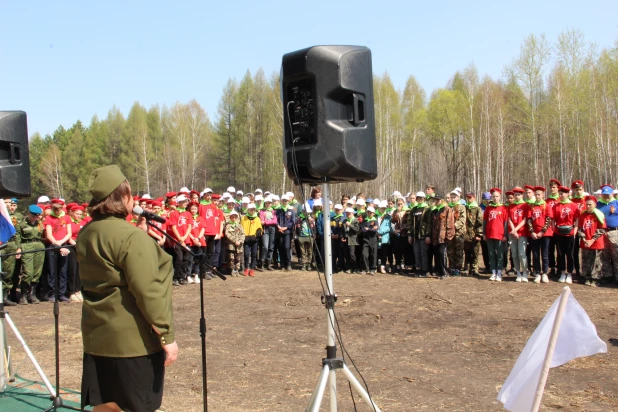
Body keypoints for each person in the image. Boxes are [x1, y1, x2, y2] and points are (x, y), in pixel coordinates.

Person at [76, 165, 177, 412]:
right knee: (136, 406)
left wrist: (138, 233)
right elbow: (147, 291)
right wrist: (166, 335)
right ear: (122, 197)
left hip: (98, 338)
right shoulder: (130, 238)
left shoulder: (87, 232)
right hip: (133, 343)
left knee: (106, 405)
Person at [15, 205, 46, 305]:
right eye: (34, 216)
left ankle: (32, 294)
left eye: (38, 216)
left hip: (39, 246)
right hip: (27, 245)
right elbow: (18, 237)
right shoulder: (22, 224)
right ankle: (23, 295)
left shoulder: (39, 223)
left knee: (37, 272)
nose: (36, 218)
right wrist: (18, 248)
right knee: (28, 272)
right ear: (29, 214)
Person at [44, 198, 72, 302]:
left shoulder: (66, 217)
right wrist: (56, 244)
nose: (58, 212)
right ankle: (52, 294)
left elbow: (68, 233)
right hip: (52, 246)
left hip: (63, 245)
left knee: (63, 270)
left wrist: (61, 244)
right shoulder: (49, 218)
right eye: (56, 209)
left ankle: (61, 293)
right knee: (52, 271)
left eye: (59, 209)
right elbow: (49, 234)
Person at [578, 196, 606, 286]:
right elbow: (580, 228)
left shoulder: (599, 215)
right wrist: (584, 239)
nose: (588, 206)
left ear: (595, 205)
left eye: (590, 204)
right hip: (586, 241)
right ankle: (586, 277)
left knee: (596, 261)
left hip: (596, 241)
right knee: (586, 260)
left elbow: (602, 229)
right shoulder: (583, 215)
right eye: (586, 204)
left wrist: (592, 240)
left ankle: (595, 278)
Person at [553, 186, 579, 284]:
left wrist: (575, 231)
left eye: (563, 193)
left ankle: (570, 273)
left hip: (570, 232)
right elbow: (553, 219)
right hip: (559, 232)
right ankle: (562, 272)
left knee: (570, 254)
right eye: (559, 193)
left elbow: (576, 219)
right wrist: (554, 230)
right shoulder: (556, 206)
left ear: (568, 194)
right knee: (560, 253)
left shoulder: (573, 205)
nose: (561, 195)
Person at [528, 186, 553, 284]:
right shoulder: (532, 206)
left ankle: (545, 273)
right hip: (534, 234)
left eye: (539, 194)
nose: (538, 196)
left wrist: (542, 232)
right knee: (536, 254)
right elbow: (529, 220)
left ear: (543, 195)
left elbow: (548, 220)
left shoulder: (546, 206)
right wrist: (532, 232)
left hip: (545, 234)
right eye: (536, 194)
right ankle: (537, 272)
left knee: (545, 254)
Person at [427, 194, 455, 280]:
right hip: (435, 236)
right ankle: (439, 271)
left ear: (442, 200)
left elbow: (450, 223)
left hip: (443, 236)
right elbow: (430, 224)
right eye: (435, 200)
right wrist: (429, 235)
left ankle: (444, 272)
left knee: (442, 253)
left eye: (438, 200)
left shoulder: (447, 209)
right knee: (436, 254)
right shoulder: (434, 211)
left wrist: (449, 235)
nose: (437, 201)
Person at [483, 188, 508, 281]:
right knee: (491, 253)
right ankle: (493, 271)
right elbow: (485, 221)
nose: (495, 198)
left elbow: (506, 223)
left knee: (500, 254)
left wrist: (505, 235)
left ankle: (499, 272)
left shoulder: (504, 208)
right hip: (489, 234)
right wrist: (484, 233)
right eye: (493, 196)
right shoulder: (488, 208)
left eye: (497, 196)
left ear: (500, 197)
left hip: (500, 235)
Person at [1, 199, 21, 305]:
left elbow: (16, 233)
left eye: (9, 202)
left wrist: (18, 247)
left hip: (10, 245)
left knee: (8, 272)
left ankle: (4, 296)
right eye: (5, 202)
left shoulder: (11, 217)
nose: (8, 204)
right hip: (1, 244)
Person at [507, 187, 530, 282]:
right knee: (514, 254)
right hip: (512, 233)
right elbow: (509, 219)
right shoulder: (511, 206)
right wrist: (513, 230)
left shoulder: (525, 205)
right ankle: (518, 272)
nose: (516, 197)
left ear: (522, 195)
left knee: (522, 253)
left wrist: (516, 229)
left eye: (518, 195)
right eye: (515, 195)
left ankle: (525, 271)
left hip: (522, 233)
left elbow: (525, 219)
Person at [168, 194, 192, 285]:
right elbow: (173, 227)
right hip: (177, 240)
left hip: (186, 240)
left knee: (186, 259)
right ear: (180, 203)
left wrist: (185, 237)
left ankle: (182, 277)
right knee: (179, 259)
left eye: (186, 202)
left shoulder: (188, 213)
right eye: (184, 202)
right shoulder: (174, 213)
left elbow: (189, 226)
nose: (186, 203)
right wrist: (180, 239)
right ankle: (176, 277)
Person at [596, 185, 618, 281]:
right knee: (604, 255)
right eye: (604, 194)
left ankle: (617, 276)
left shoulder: (616, 203)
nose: (606, 196)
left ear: (612, 194)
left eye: (608, 194)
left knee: (616, 255)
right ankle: (607, 275)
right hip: (602, 232)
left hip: (615, 232)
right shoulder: (598, 204)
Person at [67, 205, 86, 301]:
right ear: (72, 213)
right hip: (71, 246)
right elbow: (69, 235)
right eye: (77, 214)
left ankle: (78, 290)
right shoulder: (69, 222)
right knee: (72, 269)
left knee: (80, 270)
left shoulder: (83, 222)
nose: (79, 216)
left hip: (80, 246)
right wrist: (74, 244)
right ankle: (71, 291)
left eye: (80, 214)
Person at [463, 192, 483, 277]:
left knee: (475, 252)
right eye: (467, 197)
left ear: (474, 198)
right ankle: (467, 268)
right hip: (466, 234)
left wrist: (479, 234)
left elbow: (480, 222)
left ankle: (475, 268)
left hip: (474, 234)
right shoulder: (465, 208)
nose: (468, 199)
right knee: (467, 252)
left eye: (470, 197)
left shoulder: (477, 208)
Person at [447, 190, 467, 276]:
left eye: (454, 197)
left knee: (459, 251)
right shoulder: (448, 207)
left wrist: (454, 226)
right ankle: (451, 267)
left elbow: (462, 219)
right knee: (450, 251)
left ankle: (458, 268)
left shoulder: (461, 207)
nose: (453, 199)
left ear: (458, 198)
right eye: (451, 197)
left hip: (459, 233)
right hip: (449, 233)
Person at [241, 203, 262, 277]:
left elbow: (260, 228)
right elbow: (241, 227)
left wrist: (258, 233)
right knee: (246, 254)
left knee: (253, 254)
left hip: (254, 240)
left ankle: (252, 269)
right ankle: (247, 268)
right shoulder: (244, 218)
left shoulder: (257, 218)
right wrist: (243, 236)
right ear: (248, 210)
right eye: (251, 209)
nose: (252, 211)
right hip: (246, 239)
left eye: (254, 209)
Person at [259, 195, 278, 270]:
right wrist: (270, 222)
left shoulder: (273, 211)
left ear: (271, 204)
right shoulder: (262, 211)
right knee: (265, 247)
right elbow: (262, 221)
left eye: (269, 203)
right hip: (265, 229)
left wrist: (266, 222)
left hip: (272, 229)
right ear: (264, 204)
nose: (268, 204)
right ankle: (262, 263)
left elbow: (275, 221)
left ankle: (268, 264)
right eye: (266, 203)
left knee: (271, 247)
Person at [224, 211, 245, 276]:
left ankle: (237, 270)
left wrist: (240, 241)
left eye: (235, 217)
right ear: (230, 218)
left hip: (239, 246)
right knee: (231, 258)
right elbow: (227, 234)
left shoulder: (239, 225)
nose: (234, 218)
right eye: (232, 217)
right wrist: (235, 241)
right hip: (231, 245)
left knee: (238, 258)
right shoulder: (228, 226)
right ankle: (232, 269)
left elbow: (243, 234)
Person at [360, 206, 379, 274]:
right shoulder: (365, 220)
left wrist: (368, 229)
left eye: (370, 212)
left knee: (373, 254)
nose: (369, 213)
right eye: (368, 212)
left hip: (373, 239)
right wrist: (370, 229)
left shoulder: (375, 220)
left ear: (373, 213)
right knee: (364, 253)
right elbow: (362, 229)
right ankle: (366, 268)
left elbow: (375, 230)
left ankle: (373, 268)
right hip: (366, 239)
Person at [296, 205, 315, 271]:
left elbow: (314, 227)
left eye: (308, 212)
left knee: (310, 251)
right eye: (306, 212)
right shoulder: (299, 218)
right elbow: (297, 227)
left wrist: (314, 235)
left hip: (310, 236)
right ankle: (304, 264)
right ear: (303, 211)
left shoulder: (311, 218)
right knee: (303, 251)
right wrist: (297, 235)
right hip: (301, 236)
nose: (307, 213)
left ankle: (309, 264)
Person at [342, 207, 360, 273]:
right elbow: (342, 230)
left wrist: (350, 225)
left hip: (352, 239)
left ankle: (355, 267)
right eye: (346, 214)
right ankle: (348, 267)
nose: (348, 215)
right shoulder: (344, 220)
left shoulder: (355, 220)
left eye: (349, 214)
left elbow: (357, 230)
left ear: (352, 213)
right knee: (346, 254)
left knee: (352, 254)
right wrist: (342, 237)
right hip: (346, 239)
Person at [377, 200, 393, 273]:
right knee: (379, 252)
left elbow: (389, 227)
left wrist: (380, 232)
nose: (382, 209)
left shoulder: (388, 217)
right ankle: (380, 265)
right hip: (377, 238)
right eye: (381, 208)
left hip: (385, 238)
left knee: (386, 252)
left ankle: (386, 265)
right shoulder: (375, 216)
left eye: (383, 208)